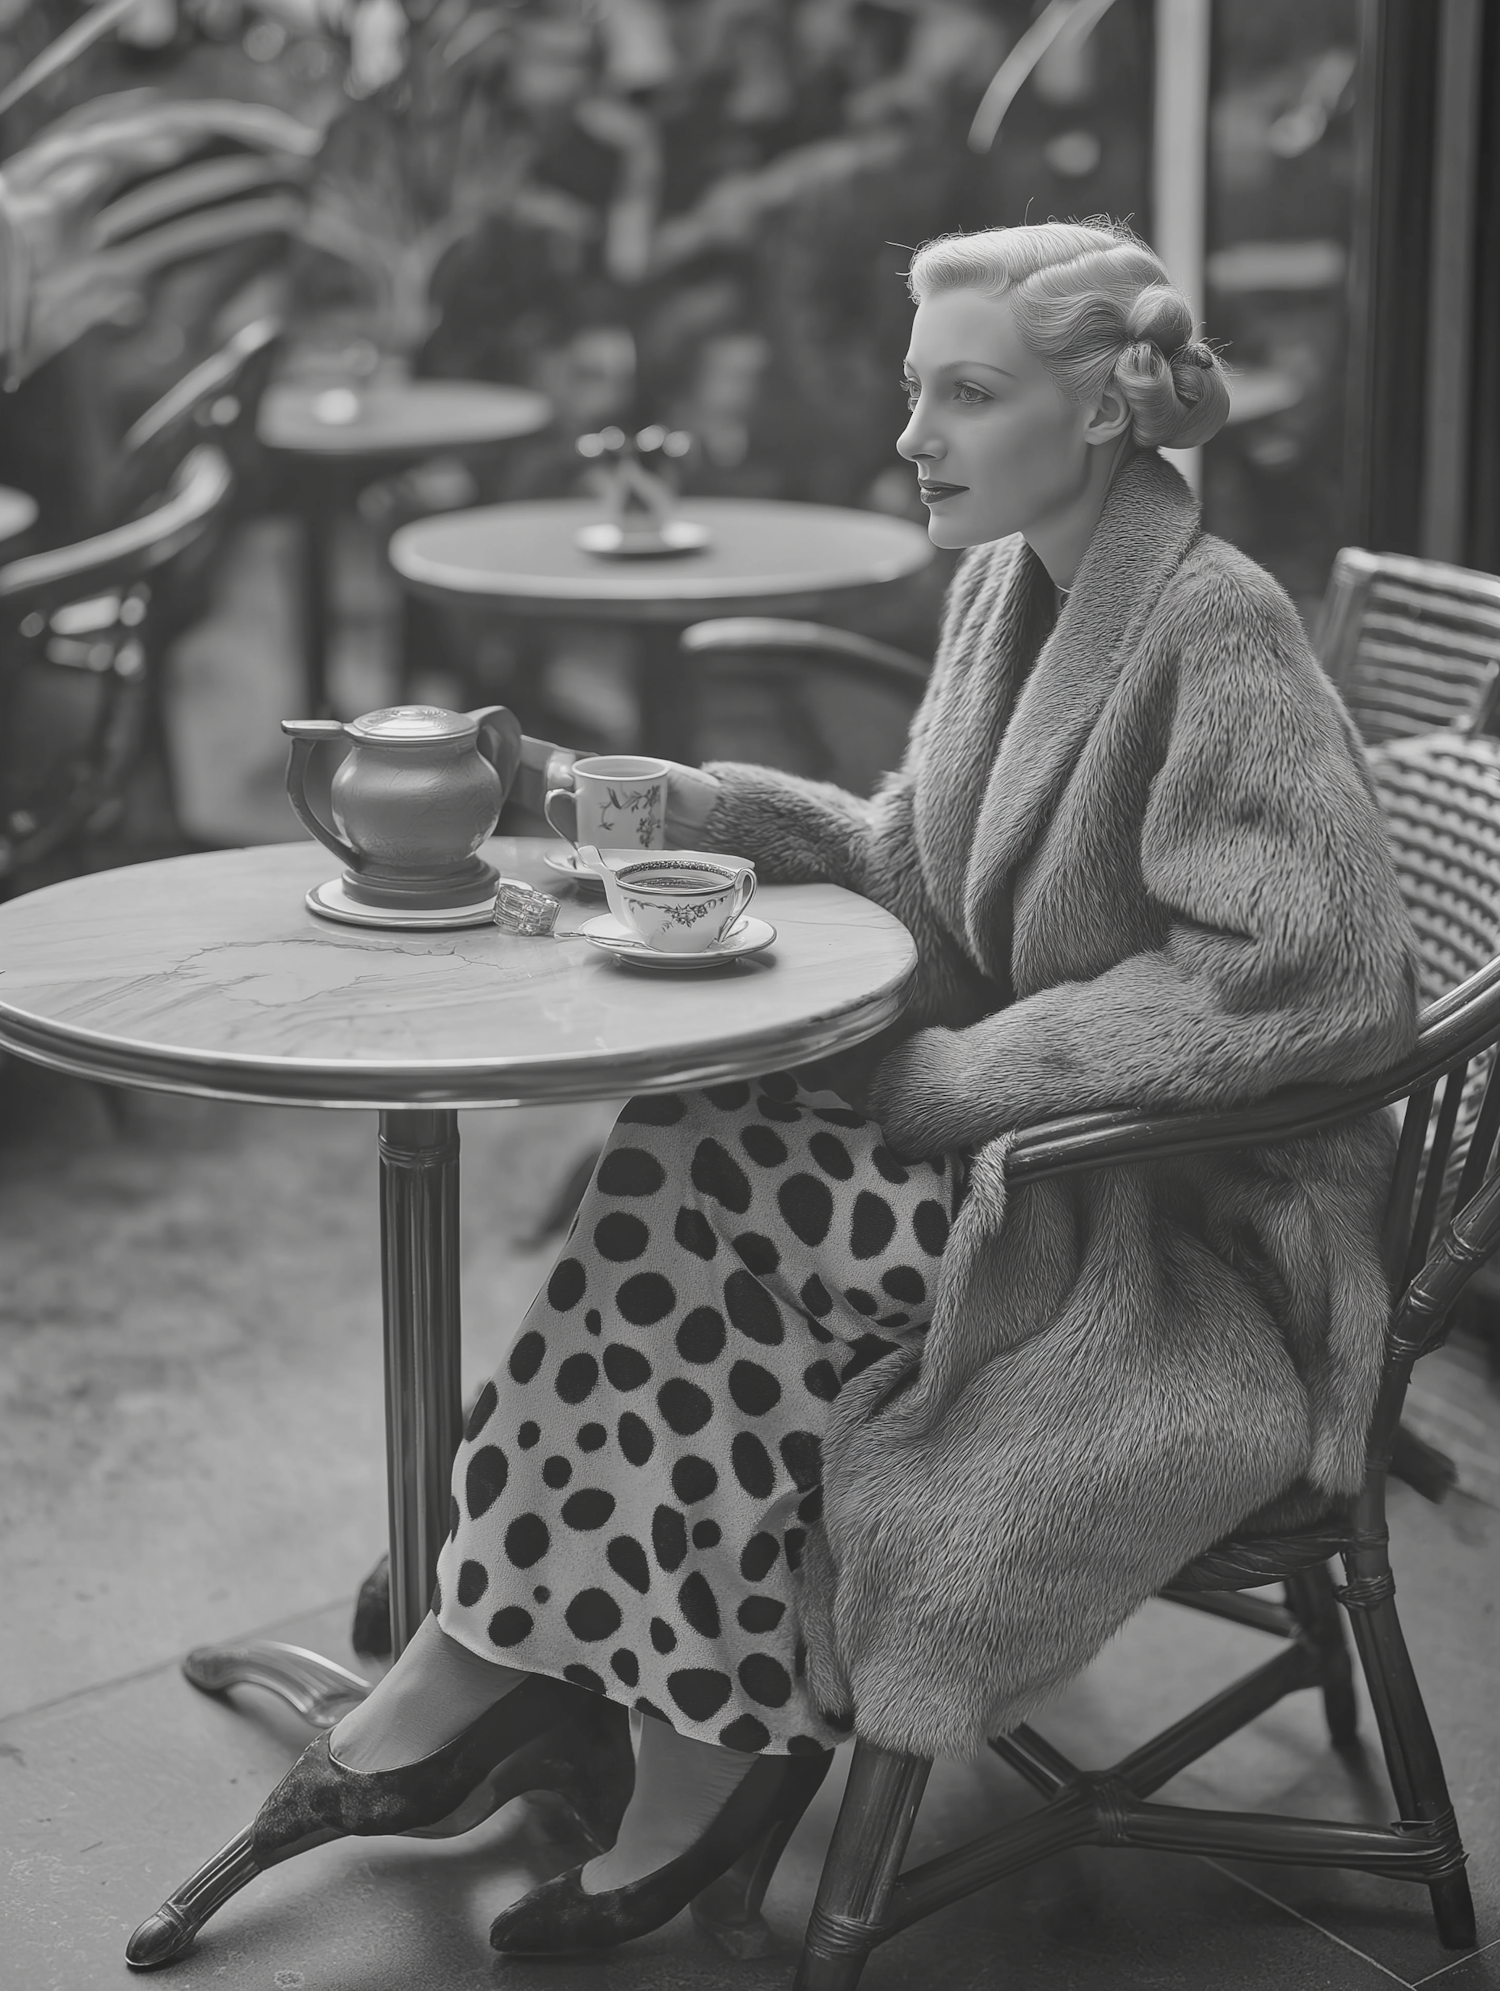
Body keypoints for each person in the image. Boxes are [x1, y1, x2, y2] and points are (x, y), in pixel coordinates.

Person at [128, 218, 1417, 1969]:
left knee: (729, 1184)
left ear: (1105, 413)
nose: (916, 433)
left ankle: (552, 1679)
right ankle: (524, 1661)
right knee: (701, 1139)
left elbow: (1307, 972)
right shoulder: (1010, 587)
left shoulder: (1219, 624)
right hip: (1046, 1165)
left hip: (1179, 1228)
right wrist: (672, 807)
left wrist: (966, 1075)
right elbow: (920, 854)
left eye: (967, 392)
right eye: (916, 387)